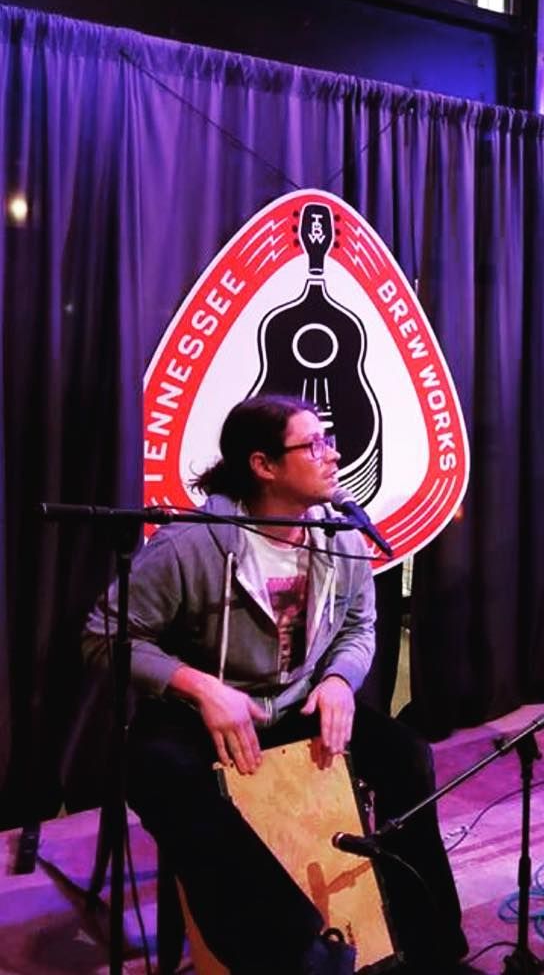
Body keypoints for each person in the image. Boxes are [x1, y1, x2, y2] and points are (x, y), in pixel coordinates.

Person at [83, 395, 472, 974]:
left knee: (406, 756)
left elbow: (359, 625)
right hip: (202, 712)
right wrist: (200, 688)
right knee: (160, 773)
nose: (332, 454)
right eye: (313, 445)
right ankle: (298, 955)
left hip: (295, 702)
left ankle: (430, 950)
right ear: (263, 465)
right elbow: (103, 635)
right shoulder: (191, 544)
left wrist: (339, 680)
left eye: (327, 441)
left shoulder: (340, 533)